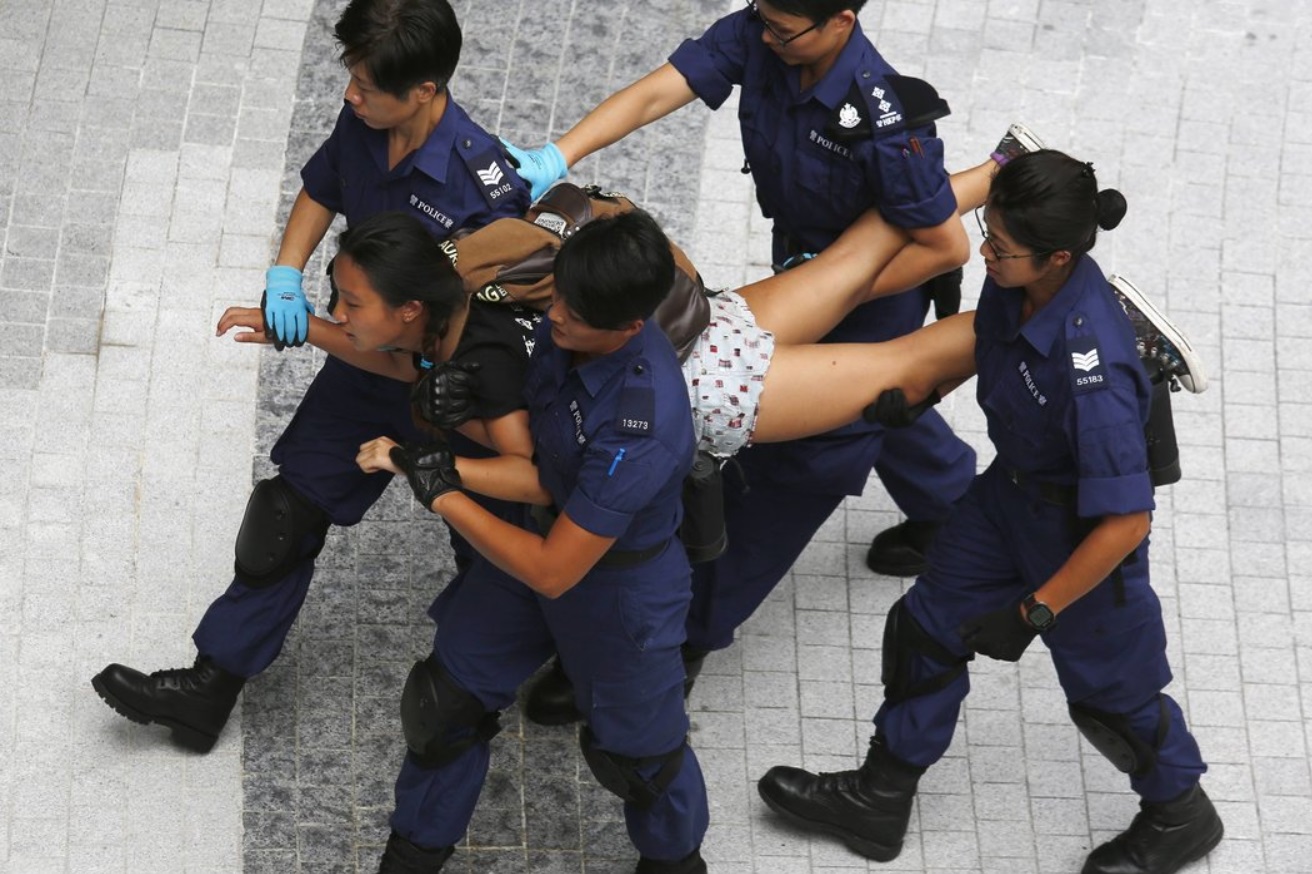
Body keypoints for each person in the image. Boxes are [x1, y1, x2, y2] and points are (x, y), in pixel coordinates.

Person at [505, 0, 1046, 721]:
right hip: (807, 258)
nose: (762, 37)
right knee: (866, 410)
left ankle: (685, 637)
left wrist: (830, 280)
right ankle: (945, 502)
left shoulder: (882, 119)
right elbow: (660, 89)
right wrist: (561, 154)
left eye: (782, 29)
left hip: (874, 296)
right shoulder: (767, 31)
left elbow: (938, 245)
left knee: (799, 466)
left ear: (841, 22)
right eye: (761, 18)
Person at [755, 150, 1223, 874]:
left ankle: (1180, 814)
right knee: (924, 629)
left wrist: (1036, 610)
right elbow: (991, 342)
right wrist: (922, 392)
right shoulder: (1018, 282)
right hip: (1007, 500)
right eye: (987, 231)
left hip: (1081, 542)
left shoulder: (1093, 372)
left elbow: (1126, 522)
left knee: (1111, 700)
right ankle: (880, 798)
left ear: (1059, 257)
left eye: (1000, 246)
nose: (985, 250)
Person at [89, 0, 530, 754]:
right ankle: (209, 686)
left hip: (456, 391)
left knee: (487, 541)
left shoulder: (482, 194)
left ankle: (521, 678)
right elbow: (326, 187)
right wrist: (286, 273)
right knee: (284, 515)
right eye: (350, 77)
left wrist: (317, 332)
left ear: (424, 89)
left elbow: (438, 353)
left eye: (368, 85)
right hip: (364, 362)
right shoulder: (365, 117)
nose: (351, 94)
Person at [347, 210, 709, 873]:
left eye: (577, 314)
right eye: (561, 297)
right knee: (444, 706)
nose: (557, 317)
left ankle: (675, 865)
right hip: (530, 540)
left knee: (640, 763)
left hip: (615, 594)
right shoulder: (567, 317)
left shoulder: (642, 422)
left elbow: (554, 571)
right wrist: (466, 423)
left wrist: (442, 488)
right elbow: (547, 469)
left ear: (630, 326)